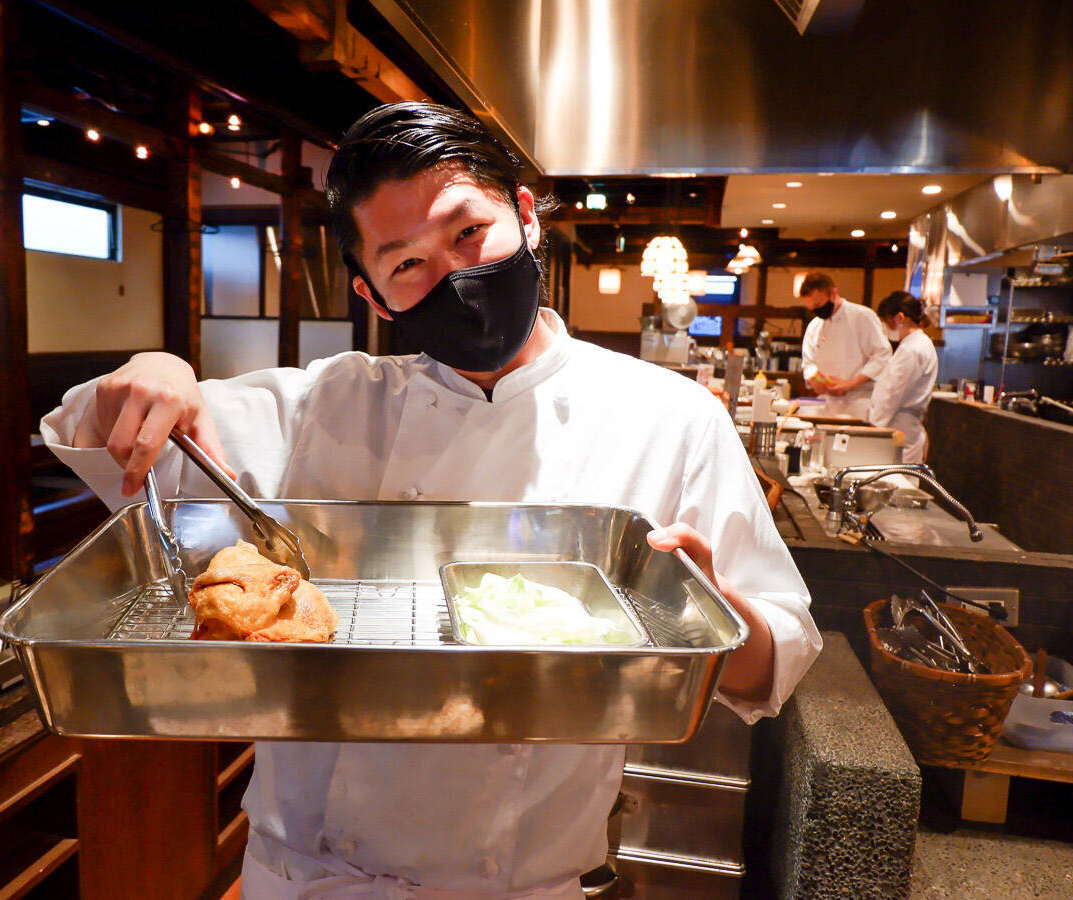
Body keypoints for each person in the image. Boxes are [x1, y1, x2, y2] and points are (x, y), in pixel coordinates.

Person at [40, 102, 821, 898]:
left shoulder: (670, 416)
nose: (452, 275)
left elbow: (776, 657)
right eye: (406, 263)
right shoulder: (330, 404)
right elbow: (115, 433)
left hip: (519, 884)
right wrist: (151, 373)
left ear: (524, 216)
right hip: (306, 875)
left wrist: (712, 611)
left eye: (468, 232)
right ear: (375, 298)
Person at [798, 272, 892, 419]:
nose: (816, 310)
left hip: (859, 402)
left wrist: (851, 384)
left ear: (833, 293)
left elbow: (882, 355)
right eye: (811, 307)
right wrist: (814, 380)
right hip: (826, 403)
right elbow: (808, 363)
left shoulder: (862, 316)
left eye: (818, 305)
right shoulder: (814, 325)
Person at [869, 290, 938, 463]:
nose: (885, 327)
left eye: (886, 321)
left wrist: (873, 426)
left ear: (900, 318)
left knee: (899, 484)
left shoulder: (912, 349)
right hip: (903, 428)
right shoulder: (916, 345)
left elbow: (892, 393)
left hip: (900, 429)